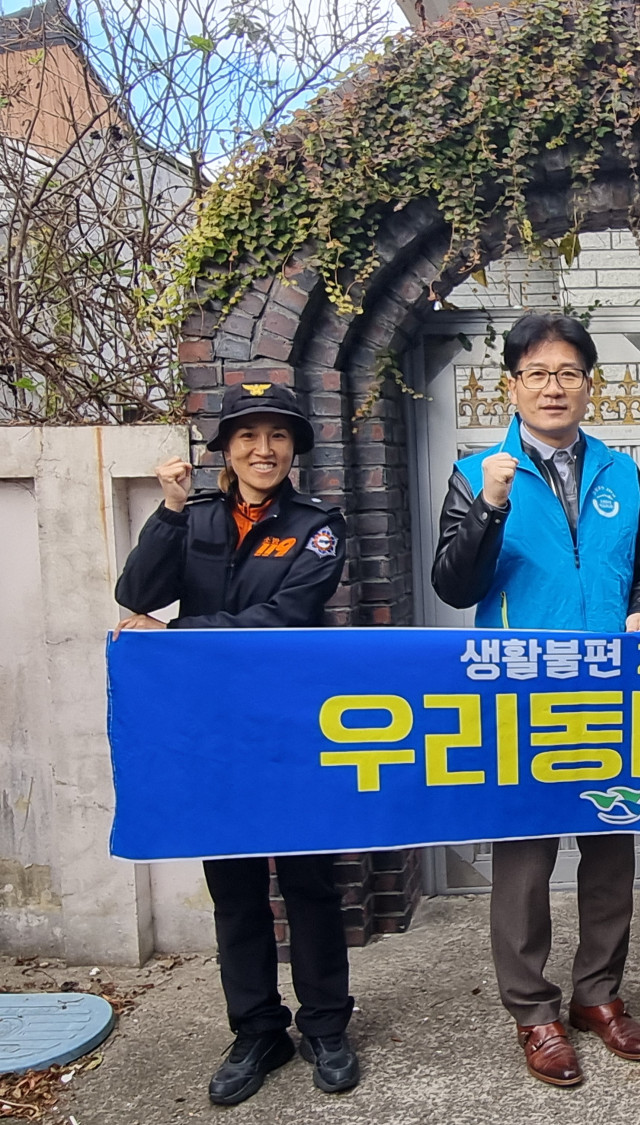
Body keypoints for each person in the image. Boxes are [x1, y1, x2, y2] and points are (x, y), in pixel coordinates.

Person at [431, 312, 640, 1087]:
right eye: (537, 373)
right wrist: (490, 505)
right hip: (521, 695)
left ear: (589, 385)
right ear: (512, 385)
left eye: (568, 372)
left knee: (610, 849)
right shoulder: (478, 473)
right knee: (525, 860)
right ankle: (534, 1010)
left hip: (610, 691)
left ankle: (598, 993)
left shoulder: (621, 473)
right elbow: (453, 584)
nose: (554, 386)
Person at [114, 382, 358, 1106]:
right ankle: (257, 1030)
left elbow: (288, 615)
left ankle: (326, 1027)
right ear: (225, 448)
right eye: (247, 435)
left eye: (277, 435)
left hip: (294, 728)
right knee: (236, 889)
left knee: (310, 883)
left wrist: (176, 635)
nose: (263, 449)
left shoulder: (319, 526)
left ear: (294, 448)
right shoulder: (192, 517)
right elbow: (136, 593)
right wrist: (167, 512)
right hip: (213, 733)